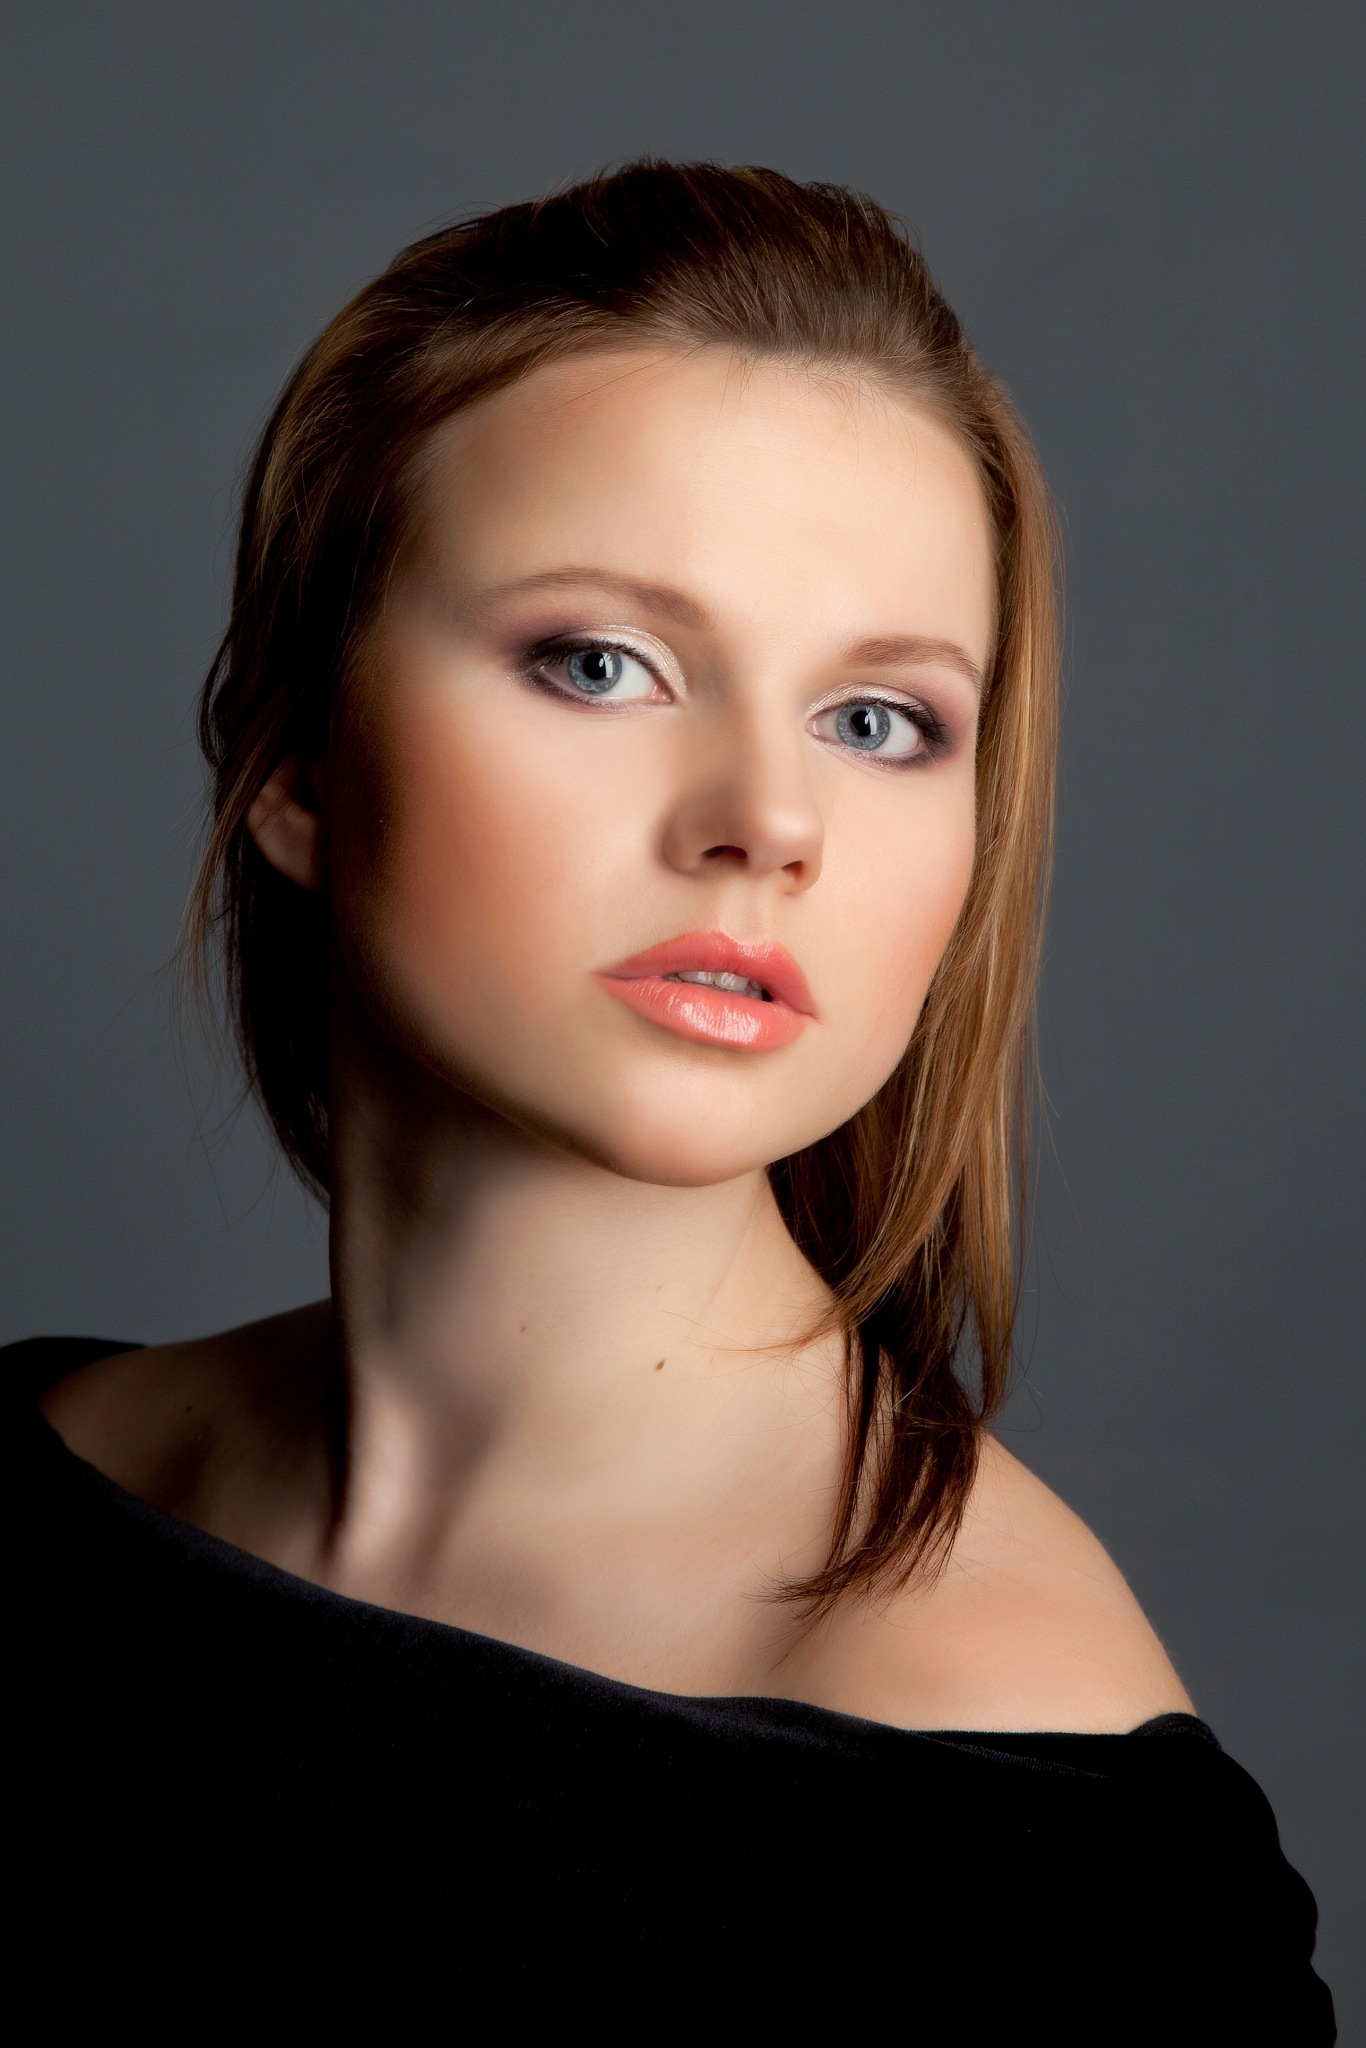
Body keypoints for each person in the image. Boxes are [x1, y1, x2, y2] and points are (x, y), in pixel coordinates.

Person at [11, 163, 1334, 2037]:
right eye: (603, 663)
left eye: (877, 720)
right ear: (295, 756)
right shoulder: (47, 1463)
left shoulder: (1035, 1856)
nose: (768, 822)